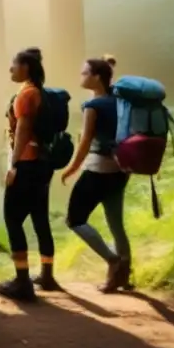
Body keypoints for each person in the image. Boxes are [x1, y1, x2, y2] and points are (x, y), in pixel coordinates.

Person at [61, 55, 132, 293]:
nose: (81, 76)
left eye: (85, 73)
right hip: (121, 170)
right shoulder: (120, 101)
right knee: (116, 224)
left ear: (96, 77)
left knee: (75, 219)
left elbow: (85, 143)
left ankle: (113, 261)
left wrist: (71, 168)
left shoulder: (92, 107)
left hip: (97, 170)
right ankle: (125, 276)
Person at [0, 48, 57, 301]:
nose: (10, 69)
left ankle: (22, 282)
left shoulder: (26, 95)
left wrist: (13, 165)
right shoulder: (41, 92)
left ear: (26, 67)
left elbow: (23, 131)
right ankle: (47, 276)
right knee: (40, 218)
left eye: (14, 64)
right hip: (42, 164)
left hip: (27, 163)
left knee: (12, 219)